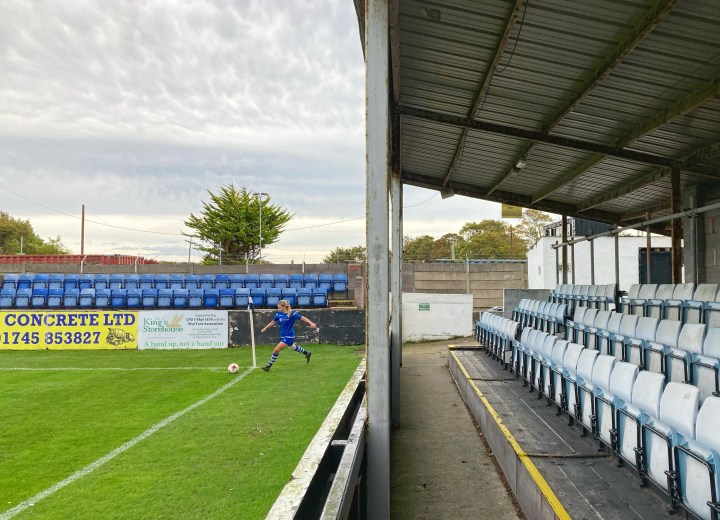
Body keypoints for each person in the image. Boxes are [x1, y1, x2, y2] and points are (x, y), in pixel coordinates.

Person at [260, 299, 317, 372]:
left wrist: (311, 323)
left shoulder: (292, 314)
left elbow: (303, 318)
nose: (278, 308)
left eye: (279, 307)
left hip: (289, 335)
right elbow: (273, 322)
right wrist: (265, 328)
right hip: (283, 335)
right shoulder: (278, 313)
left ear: (284, 307)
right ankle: (307, 353)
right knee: (293, 347)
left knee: (276, 349)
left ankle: (268, 366)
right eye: (278, 307)